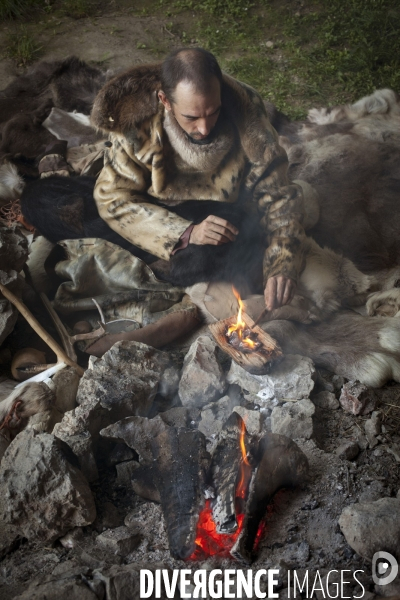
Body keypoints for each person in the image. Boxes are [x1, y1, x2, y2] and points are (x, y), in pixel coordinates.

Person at [90, 47, 306, 311]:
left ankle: (176, 274)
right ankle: (173, 267)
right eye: (191, 117)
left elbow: (279, 197)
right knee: (49, 205)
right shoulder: (135, 122)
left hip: (222, 213)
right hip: (156, 214)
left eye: (213, 112)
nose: (204, 128)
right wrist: (185, 232)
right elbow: (113, 197)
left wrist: (283, 263)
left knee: (216, 252)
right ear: (165, 101)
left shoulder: (247, 118)